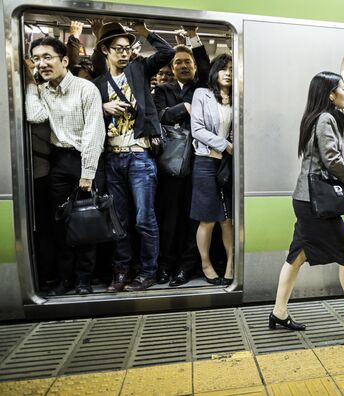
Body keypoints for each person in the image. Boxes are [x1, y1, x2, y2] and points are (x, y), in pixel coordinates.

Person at [269, 71, 344, 337]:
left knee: (297, 255)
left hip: (305, 199)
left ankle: (279, 313)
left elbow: (326, 161)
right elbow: (332, 161)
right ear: (330, 95)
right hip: (316, 203)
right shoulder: (326, 119)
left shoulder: (315, 118)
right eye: (343, 89)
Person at [93, 21, 174, 292]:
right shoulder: (98, 85)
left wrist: (143, 31)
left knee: (144, 218)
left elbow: (167, 53)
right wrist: (103, 107)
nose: (124, 53)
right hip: (112, 158)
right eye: (118, 49)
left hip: (140, 157)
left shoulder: (139, 69)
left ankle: (148, 272)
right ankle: (121, 271)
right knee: (120, 220)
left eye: (127, 48)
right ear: (105, 50)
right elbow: (90, 119)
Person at [25, 36, 106, 295]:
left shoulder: (85, 88)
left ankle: (84, 279)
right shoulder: (43, 90)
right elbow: (34, 115)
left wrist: (88, 172)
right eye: (36, 59)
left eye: (47, 57)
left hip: (86, 159)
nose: (42, 64)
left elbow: (94, 132)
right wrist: (30, 82)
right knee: (61, 224)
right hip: (59, 161)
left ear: (65, 60)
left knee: (87, 222)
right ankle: (65, 278)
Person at [153, 27, 211, 286]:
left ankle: (186, 267)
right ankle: (165, 264)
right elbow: (158, 116)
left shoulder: (202, 86)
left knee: (192, 218)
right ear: (171, 67)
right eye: (178, 62)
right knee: (168, 218)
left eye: (188, 61)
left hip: (198, 162)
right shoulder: (162, 90)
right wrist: (181, 108)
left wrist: (192, 39)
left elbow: (207, 67)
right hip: (172, 163)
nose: (184, 65)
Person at [189, 54, 234, 286]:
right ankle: (206, 264)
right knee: (207, 219)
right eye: (223, 69)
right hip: (206, 161)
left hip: (230, 164)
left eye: (232, 69)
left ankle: (230, 264)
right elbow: (196, 128)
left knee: (228, 219)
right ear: (215, 71)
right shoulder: (202, 94)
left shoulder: (239, 97)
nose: (228, 73)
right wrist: (225, 145)